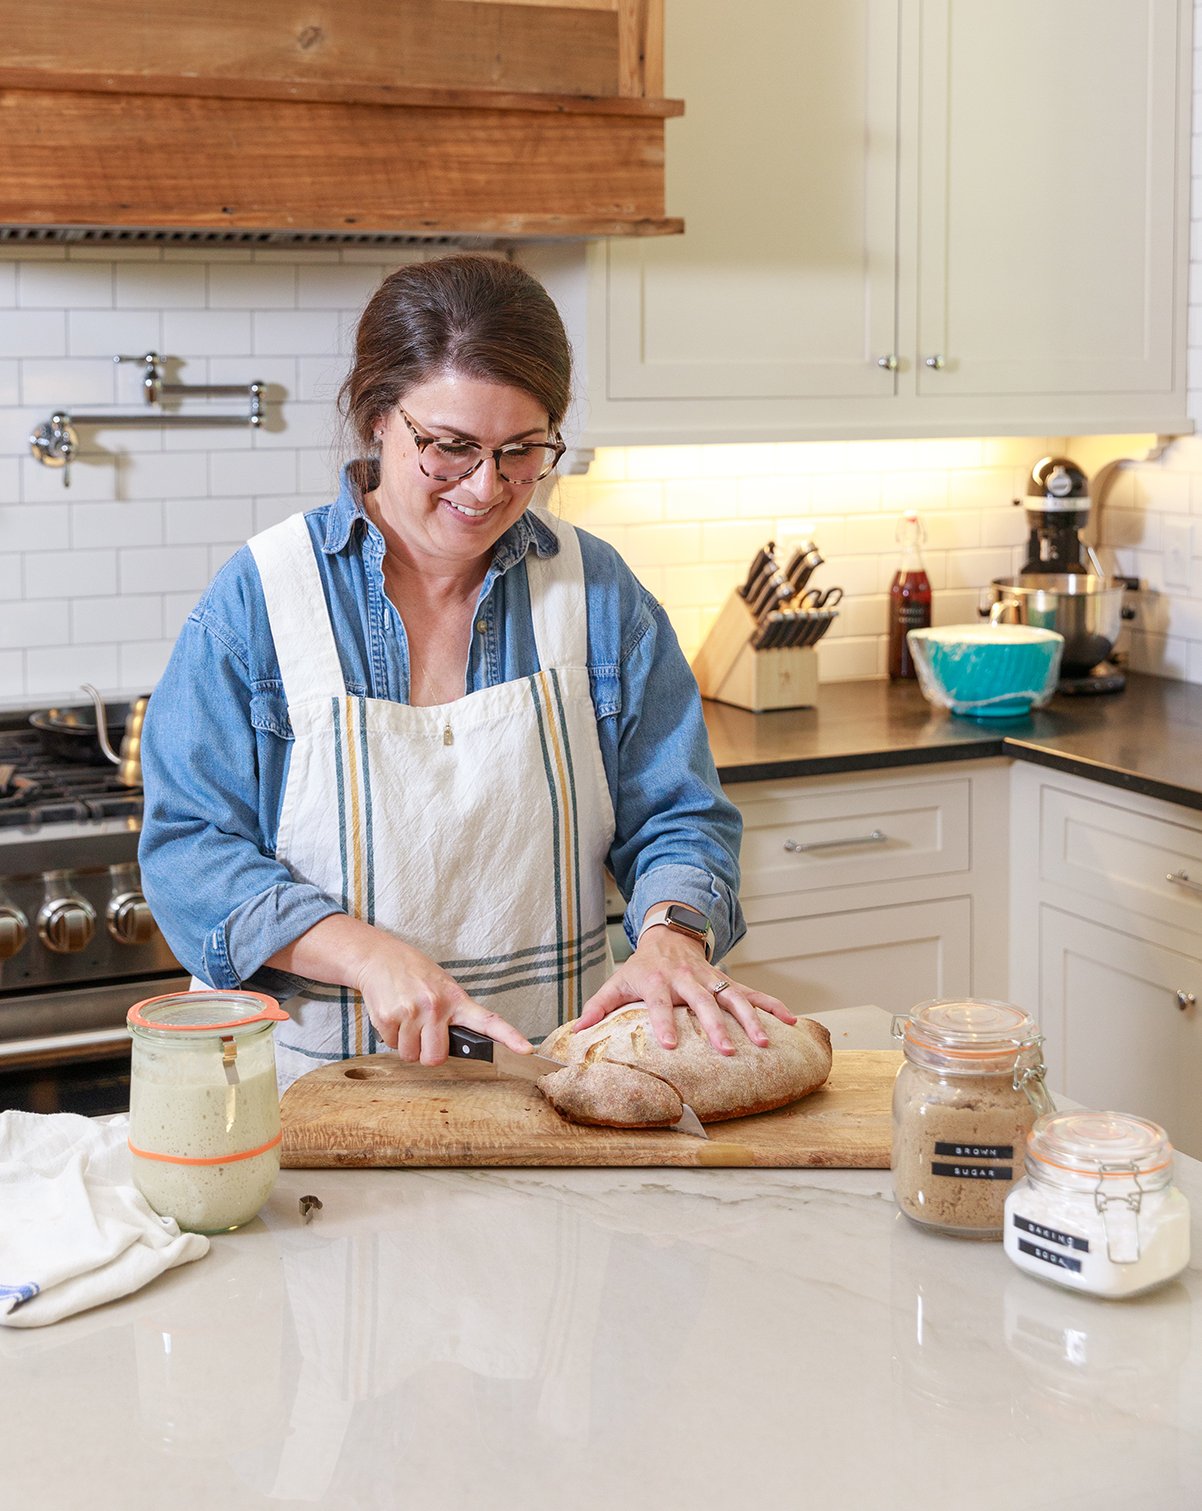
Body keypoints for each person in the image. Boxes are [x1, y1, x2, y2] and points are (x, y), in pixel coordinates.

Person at [139, 254, 793, 1089]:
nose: (485, 487)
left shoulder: (598, 597)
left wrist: (672, 933)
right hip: (306, 1105)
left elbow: (679, 815)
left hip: (544, 1090)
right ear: (378, 418)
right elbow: (191, 852)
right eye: (450, 447)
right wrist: (367, 954)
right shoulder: (263, 600)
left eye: (522, 450)